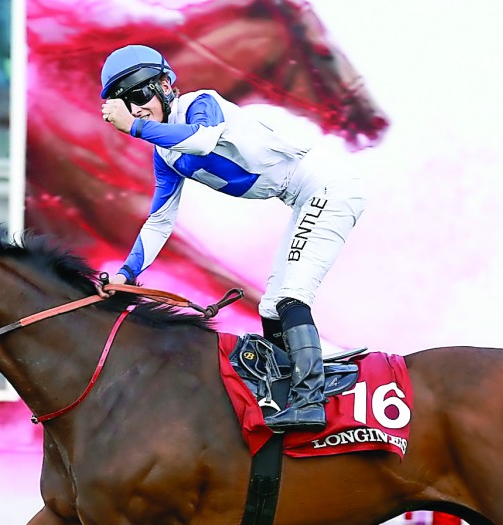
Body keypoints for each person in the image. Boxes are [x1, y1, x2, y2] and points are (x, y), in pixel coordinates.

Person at [98, 43, 366, 433]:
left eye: (138, 96)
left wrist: (134, 127)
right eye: (125, 103)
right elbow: (159, 222)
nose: (135, 109)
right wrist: (127, 273)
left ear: (165, 86)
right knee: (271, 308)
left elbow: (202, 140)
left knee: (292, 297)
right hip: (302, 197)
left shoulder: (200, 104)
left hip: (328, 185)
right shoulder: (165, 153)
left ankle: (310, 401)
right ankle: (285, 393)